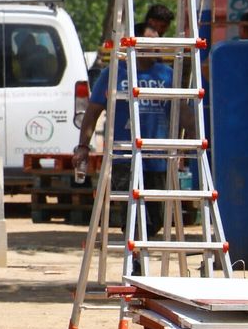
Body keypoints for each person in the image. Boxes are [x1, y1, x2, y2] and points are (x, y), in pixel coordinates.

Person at [73, 22, 176, 206]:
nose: (157, 46)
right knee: (131, 214)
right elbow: (93, 111)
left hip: (158, 159)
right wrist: (83, 146)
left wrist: (193, 139)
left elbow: (180, 111)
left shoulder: (167, 74)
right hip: (124, 158)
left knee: (156, 217)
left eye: (158, 41)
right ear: (135, 43)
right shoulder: (113, 74)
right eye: (151, 41)